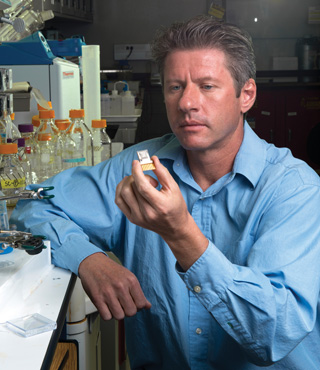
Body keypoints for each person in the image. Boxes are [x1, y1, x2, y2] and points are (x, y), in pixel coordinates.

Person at [11, 15, 320, 370]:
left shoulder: (294, 190)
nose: (187, 102)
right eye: (175, 87)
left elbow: (274, 334)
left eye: (206, 86)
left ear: (245, 95)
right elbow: (33, 205)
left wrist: (181, 233)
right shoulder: (140, 168)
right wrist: (88, 259)